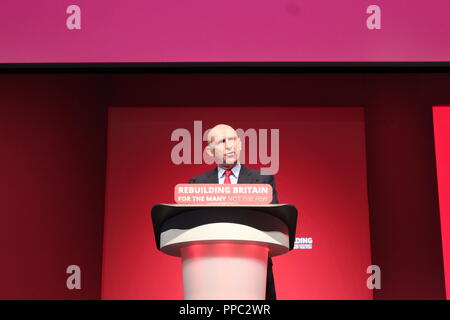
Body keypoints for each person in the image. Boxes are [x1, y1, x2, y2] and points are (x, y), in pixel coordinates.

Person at [188, 124, 278, 300]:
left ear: (240, 145)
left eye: (232, 140)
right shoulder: (197, 184)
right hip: (210, 270)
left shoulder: (263, 180)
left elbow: (274, 224)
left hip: (254, 267)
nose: (229, 146)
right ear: (210, 152)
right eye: (222, 141)